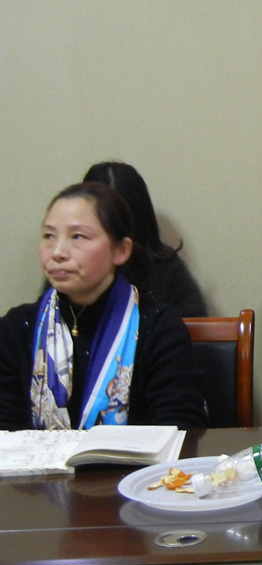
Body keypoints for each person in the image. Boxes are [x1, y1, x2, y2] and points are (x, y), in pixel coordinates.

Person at [0, 182, 207, 430]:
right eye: (49, 236)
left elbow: (180, 428)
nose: (57, 252)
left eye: (77, 236)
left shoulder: (158, 327)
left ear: (121, 250)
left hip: (134, 458)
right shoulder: (17, 328)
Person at [83, 161, 208, 317]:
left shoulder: (167, 271)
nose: (113, 231)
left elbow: (194, 327)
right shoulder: (70, 266)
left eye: (122, 219)